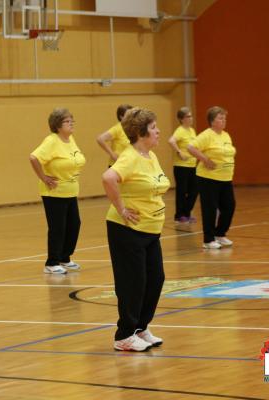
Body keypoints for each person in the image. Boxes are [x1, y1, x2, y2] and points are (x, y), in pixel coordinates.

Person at [102, 107, 169, 352]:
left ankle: (140, 327)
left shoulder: (151, 156)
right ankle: (124, 335)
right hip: (127, 230)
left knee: (156, 279)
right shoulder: (129, 157)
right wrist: (121, 208)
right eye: (153, 128)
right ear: (141, 132)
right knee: (133, 282)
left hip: (151, 230)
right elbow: (109, 178)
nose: (158, 131)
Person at [29, 108, 86, 274]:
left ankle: (64, 257)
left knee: (74, 225)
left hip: (71, 190)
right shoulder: (51, 141)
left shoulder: (70, 139)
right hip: (54, 192)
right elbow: (34, 157)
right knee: (58, 228)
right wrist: (43, 177)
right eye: (67, 122)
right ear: (57, 125)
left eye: (72, 121)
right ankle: (52, 262)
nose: (71, 124)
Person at [187, 106, 236, 249]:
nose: (224, 120)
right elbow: (191, 147)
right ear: (212, 121)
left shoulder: (226, 135)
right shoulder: (206, 135)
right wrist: (205, 159)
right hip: (208, 178)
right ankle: (208, 240)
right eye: (220, 118)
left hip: (225, 178)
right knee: (210, 209)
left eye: (224, 118)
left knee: (229, 206)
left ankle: (220, 234)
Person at [167, 106, 198, 223]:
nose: (191, 118)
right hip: (181, 166)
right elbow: (171, 140)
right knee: (182, 191)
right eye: (188, 116)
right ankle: (179, 215)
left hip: (192, 165)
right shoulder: (180, 130)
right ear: (181, 119)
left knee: (194, 190)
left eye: (191, 116)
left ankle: (186, 213)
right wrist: (179, 152)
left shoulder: (192, 131)